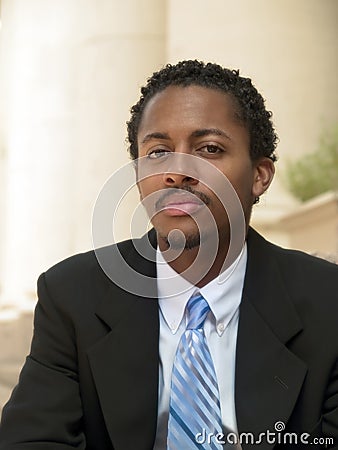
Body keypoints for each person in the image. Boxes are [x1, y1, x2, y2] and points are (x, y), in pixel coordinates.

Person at [0, 60, 337, 450]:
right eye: (158, 152)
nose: (177, 172)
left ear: (259, 176)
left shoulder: (329, 303)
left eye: (209, 149)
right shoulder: (72, 297)